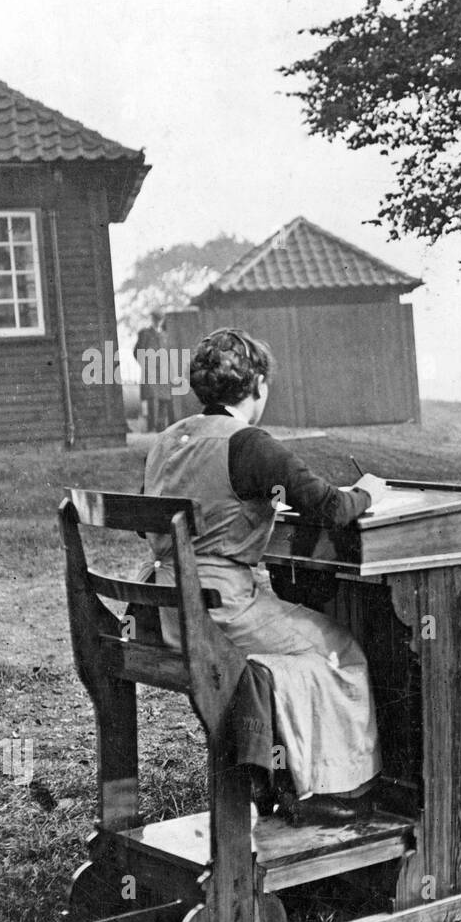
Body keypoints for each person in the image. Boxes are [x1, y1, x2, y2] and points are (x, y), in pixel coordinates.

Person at [138, 327, 381, 825]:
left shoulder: (167, 440)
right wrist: (368, 490)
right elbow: (332, 507)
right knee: (339, 649)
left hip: (156, 608)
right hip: (217, 610)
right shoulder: (248, 443)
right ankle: (328, 787)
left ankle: (280, 771)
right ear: (259, 386)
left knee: (295, 643)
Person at [136, 309, 172, 432]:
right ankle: (152, 427)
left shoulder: (165, 335)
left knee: (164, 399)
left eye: (159, 319)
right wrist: (145, 364)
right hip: (150, 371)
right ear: (152, 319)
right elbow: (138, 351)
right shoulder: (145, 334)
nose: (157, 322)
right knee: (152, 398)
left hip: (163, 371)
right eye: (155, 319)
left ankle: (161, 428)